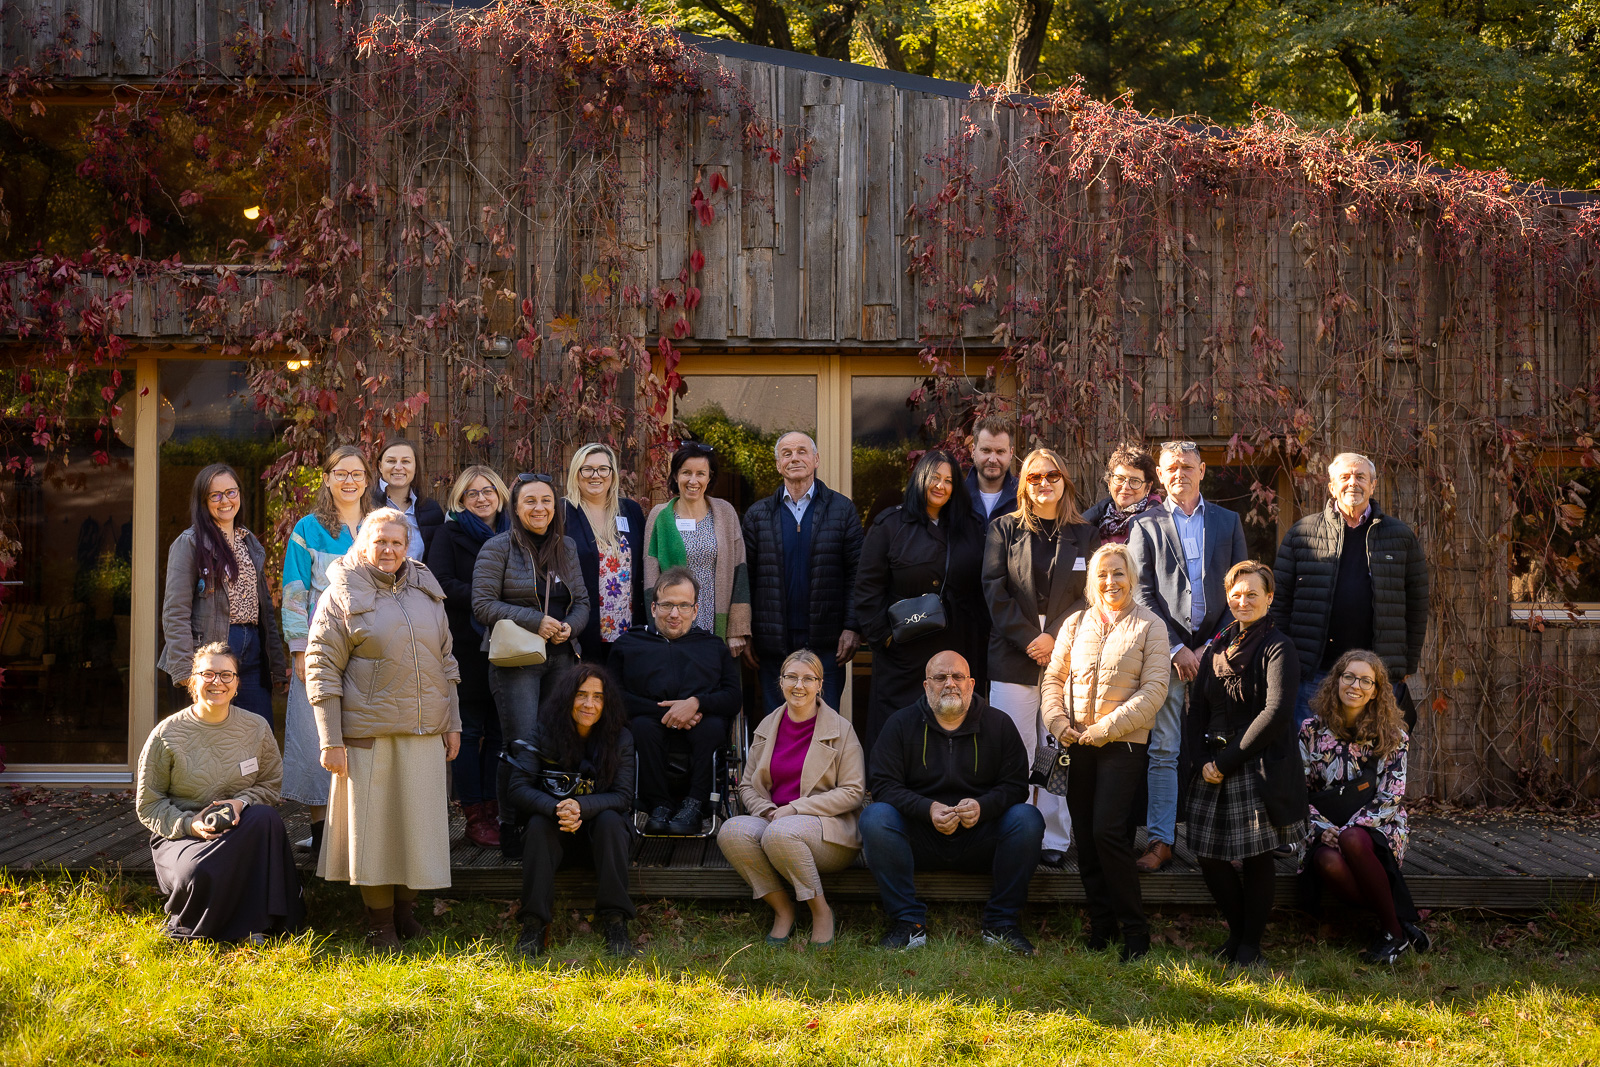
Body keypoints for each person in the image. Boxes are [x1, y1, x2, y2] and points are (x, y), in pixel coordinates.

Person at [306, 507, 461, 951]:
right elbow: (321, 669)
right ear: (363, 544)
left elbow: (446, 661)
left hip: (424, 730)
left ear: (407, 544)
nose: (389, 550)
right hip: (366, 734)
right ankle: (379, 924)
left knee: (417, 829)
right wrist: (330, 739)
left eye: (397, 542)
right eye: (380, 542)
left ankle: (404, 913)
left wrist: (453, 722)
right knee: (374, 834)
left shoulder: (425, 586)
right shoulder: (341, 592)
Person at [860, 651, 1042, 955]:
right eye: (940, 677)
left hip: (981, 838)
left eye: (957, 676)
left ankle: (1001, 923)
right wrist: (926, 808)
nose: (950, 684)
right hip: (919, 839)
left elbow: (1015, 786)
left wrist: (983, 807)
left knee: (1027, 819)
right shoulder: (900, 724)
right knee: (875, 818)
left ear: (971, 683)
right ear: (926, 685)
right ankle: (908, 923)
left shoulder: (998, 724)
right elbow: (882, 785)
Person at [1039, 544, 1170, 960]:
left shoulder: (1151, 626)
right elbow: (1053, 680)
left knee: (1108, 833)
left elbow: (1154, 691)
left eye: (1118, 573)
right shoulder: (1075, 623)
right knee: (1087, 839)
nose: (1110, 582)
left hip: (1123, 745)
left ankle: (1136, 934)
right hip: (1077, 744)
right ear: (1091, 581)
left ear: (1131, 577)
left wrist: (1105, 729)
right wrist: (1058, 723)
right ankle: (1102, 927)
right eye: (1102, 575)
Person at [1127, 440, 1248, 872]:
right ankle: (1161, 841)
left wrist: (1209, 647)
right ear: (1160, 475)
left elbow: (1241, 590)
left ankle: (1227, 840)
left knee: (1226, 745)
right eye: (1171, 467)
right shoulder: (1145, 525)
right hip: (1167, 651)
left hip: (1220, 653)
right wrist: (1177, 648)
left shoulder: (1228, 521)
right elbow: (1140, 591)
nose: (1180, 473)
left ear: (1202, 471)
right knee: (1164, 749)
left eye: (1188, 466)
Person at [135, 643, 304, 943]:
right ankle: (224, 929)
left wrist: (240, 802)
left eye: (227, 675)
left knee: (266, 819)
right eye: (208, 674)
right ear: (192, 681)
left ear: (238, 683)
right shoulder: (167, 734)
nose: (218, 682)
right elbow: (149, 804)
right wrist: (191, 824)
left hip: (238, 827)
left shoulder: (256, 728)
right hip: (181, 834)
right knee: (198, 872)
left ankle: (261, 925)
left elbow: (269, 785)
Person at [1184, 560, 1307, 967]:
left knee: (1257, 857)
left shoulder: (1278, 647)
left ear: (1269, 598)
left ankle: (1250, 945)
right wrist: (1202, 759)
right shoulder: (1217, 645)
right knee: (1207, 853)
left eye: (1252, 594)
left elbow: (1275, 712)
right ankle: (1237, 932)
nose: (1243, 601)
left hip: (1257, 765)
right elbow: (1196, 707)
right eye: (1236, 594)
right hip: (1212, 763)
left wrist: (1227, 761)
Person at [982, 447, 1100, 865]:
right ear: (1024, 485)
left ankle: (1052, 839)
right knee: (1015, 747)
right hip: (1014, 653)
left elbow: (1093, 597)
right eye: (1035, 477)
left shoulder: (1085, 534)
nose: (1044, 483)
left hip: (1067, 655)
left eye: (1052, 475)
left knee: (1055, 748)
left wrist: (1054, 639)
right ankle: (1014, 831)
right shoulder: (1003, 529)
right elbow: (994, 592)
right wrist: (1033, 638)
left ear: (1064, 481)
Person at [473, 472, 590, 854]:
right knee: (521, 746)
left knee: (558, 744)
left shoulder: (566, 547)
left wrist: (570, 626)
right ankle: (511, 827)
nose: (539, 508)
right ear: (516, 507)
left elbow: (584, 602)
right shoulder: (497, 547)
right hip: (516, 660)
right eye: (530, 501)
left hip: (561, 658)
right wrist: (534, 621)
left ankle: (550, 826)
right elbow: (483, 604)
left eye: (546, 501)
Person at [718, 650, 865, 948]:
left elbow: (853, 791)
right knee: (731, 831)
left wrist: (796, 809)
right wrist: (769, 809)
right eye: (792, 677)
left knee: (780, 833)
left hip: (828, 832)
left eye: (808, 678)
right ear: (781, 681)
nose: (799, 685)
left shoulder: (841, 730)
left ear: (820, 684)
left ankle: (820, 910)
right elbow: (747, 786)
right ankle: (783, 908)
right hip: (775, 821)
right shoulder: (767, 726)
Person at [1271, 452, 1429, 727]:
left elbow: (1417, 603)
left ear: (1373, 484)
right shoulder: (1302, 533)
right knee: (1310, 758)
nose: (1352, 483)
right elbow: (1280, 601)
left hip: (1376, 677)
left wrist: (1405, 665)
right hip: (1314, 672)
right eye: (1344, 477)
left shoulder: (1400, 536)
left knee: (1373, 758)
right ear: (1332, 486)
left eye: (1360, 477)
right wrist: (1289, 660)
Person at [854, 449, 987, 761]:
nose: (940, 486)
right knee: (900, 734)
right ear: (919, 479)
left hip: (958, 646)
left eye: (948, 481)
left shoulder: (970, 526)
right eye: (934, 478)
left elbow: (984, 585)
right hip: (904, 651)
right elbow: (866, 589)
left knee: (953, 724)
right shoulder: (890, 525)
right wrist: (884, 637)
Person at [1300, 649, 1428, 964]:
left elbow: (1391, 796)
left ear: (1375, 691)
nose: (1355, 685)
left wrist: (1344, 831)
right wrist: (1323, 829)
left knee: (1352, 839)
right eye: (1349, 677)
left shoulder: (1393, 735)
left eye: (1365, 681)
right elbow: (1297, 793)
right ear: (1336, 681)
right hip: (1323, 828)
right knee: (1328, 862)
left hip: (1379, 828)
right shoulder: (1310, 730)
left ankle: (1392, 933)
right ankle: (1400, 924)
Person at [505, 662, 638, 959]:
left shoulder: (620, 738)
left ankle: (615, 921)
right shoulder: (542, 732)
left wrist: (580, 806)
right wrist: (557, 808)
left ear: (607, 702)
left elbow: (623, 796)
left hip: (602, 844)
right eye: (581, 695)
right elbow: (517, 787)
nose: (589, 704)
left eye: (598, 697)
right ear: (567, 697)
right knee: (539, 823)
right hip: (554, 841)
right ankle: (533, 924)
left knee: (611, 821)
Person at [281, 445, 375, 855]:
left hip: (371, 649)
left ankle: (363, 832)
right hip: (321, 648)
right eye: (341, 473)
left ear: (368, 481)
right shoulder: (308, 528)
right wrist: (300, 649)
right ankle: (322, 840)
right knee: (318, 734)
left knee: (364, 738)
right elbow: (294, 592)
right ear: (327, 478)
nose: (349, 480)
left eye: (357, 474)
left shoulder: (378, 525)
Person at [609, 568, 742, 835]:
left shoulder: (713, 646)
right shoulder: (628, 644)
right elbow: (614, 697)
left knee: (714, 728)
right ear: (654, 606)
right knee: (642, 728)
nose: (674, 614)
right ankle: (658, 804)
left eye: (683, 606)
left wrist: (695, 704)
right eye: (667, 605)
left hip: (702, 725)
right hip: (648, 726)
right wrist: (667, 712)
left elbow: (733, 697)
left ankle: (695, 805)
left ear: (694, 610)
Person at [740, 431, 864, 712]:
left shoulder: (842, 510)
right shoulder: (758, 515)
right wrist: (744, 630)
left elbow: (857, 572)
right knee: (777, 727)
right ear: (777, 464)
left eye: (801, 451)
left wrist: (852, 626)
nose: (794, 458)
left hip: (827, 642)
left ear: (816, 459)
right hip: (772, 643)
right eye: (786, 453)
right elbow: (745, 579)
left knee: (824, 724)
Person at [160, 463, 287, 723]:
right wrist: (187, 671)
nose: (225, 500)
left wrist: (277, 667)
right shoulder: (190, 543)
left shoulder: (249, 542)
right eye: (215, 495)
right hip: (212, 654)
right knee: (211, 737)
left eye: (231, 492)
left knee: (257, 732)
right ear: (203, 501)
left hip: (253, 652)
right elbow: (175, 612)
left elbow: (264, 613)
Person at [426, 464, 512, 849]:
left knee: (499, 733)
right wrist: (487, 600)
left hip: (509, 644)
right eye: (472, 493)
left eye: (488, 491)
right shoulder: (449, 533)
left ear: (500, 495)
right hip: (466, 645)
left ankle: (494, 811)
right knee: (469, 731)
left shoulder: (516, 531)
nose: (481, 498)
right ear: (461, 500)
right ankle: (474, 814)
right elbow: (440, 584)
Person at [644, 442, 751, 656]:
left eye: (700, 473)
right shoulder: (660, 516)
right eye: (686, 473)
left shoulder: (725, 513)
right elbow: (650, 579)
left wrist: (736, 629)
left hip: (715, 619)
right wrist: (656, 626)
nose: (693, 481)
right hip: (674, 620)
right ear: (675, 476)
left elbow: (740, 572)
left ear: (709, 477)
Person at [563, 442, 647, 668]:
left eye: (603, 469)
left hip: (629, 627)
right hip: (582, 627)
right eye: (587, 469)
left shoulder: (630, 510)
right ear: (576, 473)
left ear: (612, 473)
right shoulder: (563, 512)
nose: (595, 475)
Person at [371, 438, 446, 560]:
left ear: (415, 467)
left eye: (405, 461)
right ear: (380, 466)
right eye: (391, 461)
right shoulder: (364, 504)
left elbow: (437, 562)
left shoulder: (432, 511)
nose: (398, 467)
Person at [1081, 444, 1164, 545]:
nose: (1126, 487)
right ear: (1110, 483)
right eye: (1120, 479)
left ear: (1148, 487)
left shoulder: (1159, 523)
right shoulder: (1093, 523)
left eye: (1134, 481)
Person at [965, 414, 1018, 527]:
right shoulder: (956, 496)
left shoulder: (1023, 498)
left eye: (1000, 452)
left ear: (1011, 453)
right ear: (973, 450)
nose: (993, 459)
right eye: (986, 450)